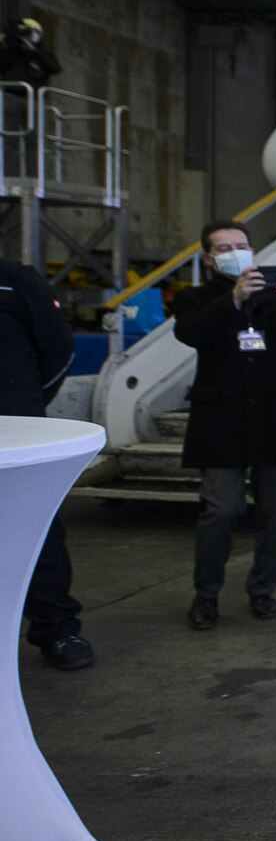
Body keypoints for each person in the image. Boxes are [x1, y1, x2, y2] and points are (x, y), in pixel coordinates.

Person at [173, 220, 276, 628]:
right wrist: (234, 300)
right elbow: (191, 334)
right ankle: (206, 594)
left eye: (241, 245)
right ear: (208, 258)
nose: (235, 252)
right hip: (220, 418)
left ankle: (262, 589)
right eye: (224, 248)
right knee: (220, 510)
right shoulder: (195, 299)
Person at [1, 258, 92, 670]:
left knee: (37, 528)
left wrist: (24, 407)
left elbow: (59, 349)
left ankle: (57, 629)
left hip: (15, 432)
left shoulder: (14, 281)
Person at [1, 17, 61, 135]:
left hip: (35, 99)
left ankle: (35, 154)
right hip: (11, 97)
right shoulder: (11, 52)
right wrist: (5, 45)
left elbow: (54, 68)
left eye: (30, 32)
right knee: (8, 135)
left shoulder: (44, 55)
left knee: (34, 138)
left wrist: (34, 51)